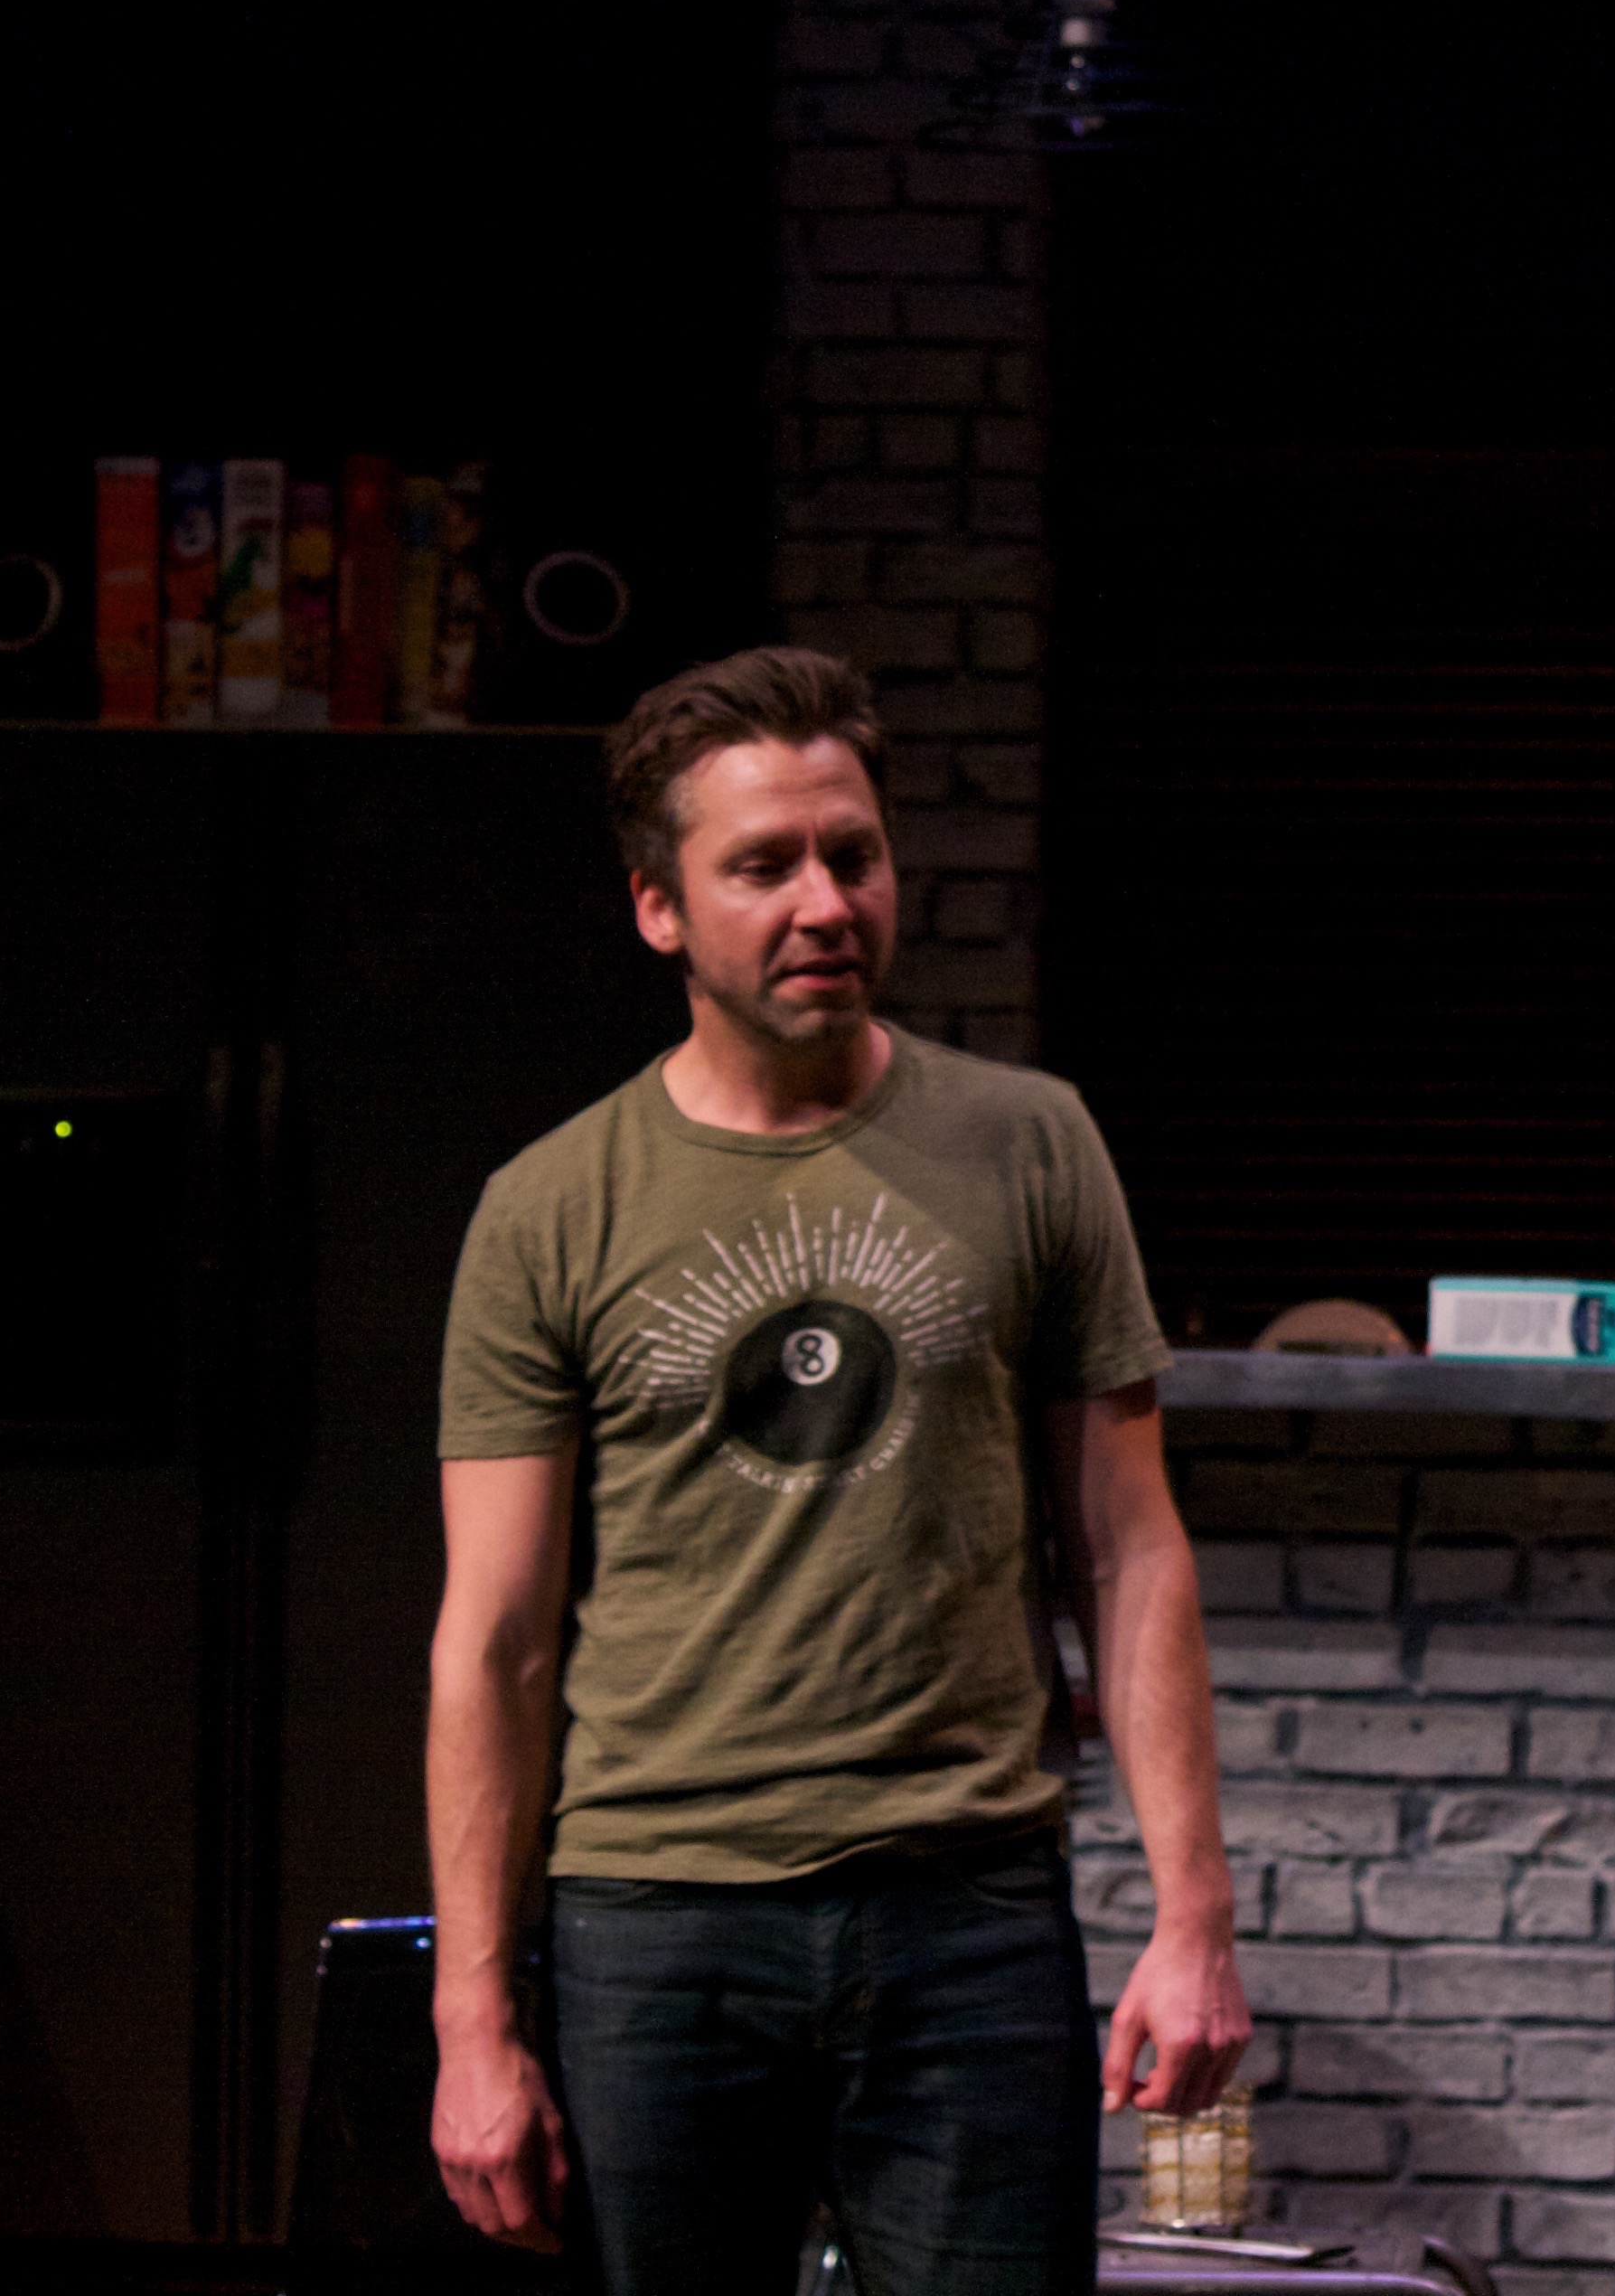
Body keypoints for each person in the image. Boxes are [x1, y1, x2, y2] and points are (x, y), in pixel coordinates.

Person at [426, 646, 1250, 2296]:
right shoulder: (549, 1209)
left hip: (965, 1910)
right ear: (660, 909)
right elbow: (497, 1637)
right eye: (764, 866)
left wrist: (1195, 1919)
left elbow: (1130, 1550)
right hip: (659, 1919)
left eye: (852, 855)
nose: (825, 904)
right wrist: (472, 2020)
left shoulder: (1030, 1143)